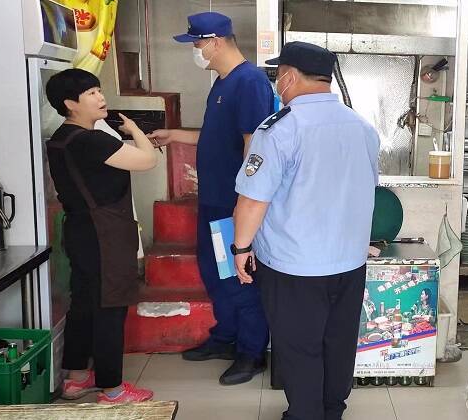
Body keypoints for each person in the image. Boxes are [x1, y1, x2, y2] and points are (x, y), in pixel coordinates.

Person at [232, 42, 380, 420]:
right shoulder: (362, 127)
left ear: (289, 76)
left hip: (294, 267)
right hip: (349, 263)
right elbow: (365, 189)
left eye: (277, 74)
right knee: (338, 343)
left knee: (299, 348)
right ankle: (332, 411)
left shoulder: (280, 129)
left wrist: (241, 249)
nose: (277, 82)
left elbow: (252, 201)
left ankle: (305, 414)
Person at [147, 12, 274, 385]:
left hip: (234, 202)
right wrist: (175, 135)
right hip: (213, 200)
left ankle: (251, 353)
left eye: (197, 43)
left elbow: (253, 146)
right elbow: (218, 136)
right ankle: (225, 338)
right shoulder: (222, 82)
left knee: (240, 277)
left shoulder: (249, 82)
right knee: (216, 274)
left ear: (216, 42)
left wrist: (245, 202)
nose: (196, 50)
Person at [45, 68, 157, 404]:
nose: (100, 97)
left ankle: (77, 377)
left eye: (98, 90)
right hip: (104, 235)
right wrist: (135, 130)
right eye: (91, 93)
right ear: (70, 104)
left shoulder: (61, 137)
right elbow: (148, 160)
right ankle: (112, 389)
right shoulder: (91, 140)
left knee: (83, 302)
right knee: (110, 306)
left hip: (80, 230)